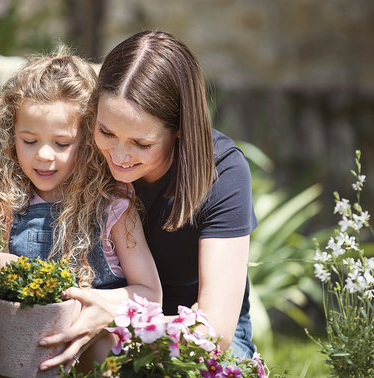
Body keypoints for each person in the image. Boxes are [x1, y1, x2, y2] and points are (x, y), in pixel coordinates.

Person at [38, 30, 258, 370]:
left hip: (189, 334)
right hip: (96, 323)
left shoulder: (223, 173)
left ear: (180, 128)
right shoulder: (83, 153)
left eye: (142, 144)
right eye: (106, 132)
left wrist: (118, 317)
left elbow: (216, 331)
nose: (119, 156)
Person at [0, 46, 162, 370]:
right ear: (10, 135)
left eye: (61, 143)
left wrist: (89, 304)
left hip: (94, 348)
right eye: (29, 140)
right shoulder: (6, 197)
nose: (43, 155)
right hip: (29, 351)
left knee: (100, 346)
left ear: (88, 140)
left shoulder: (113, 205)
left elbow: (150, 293)